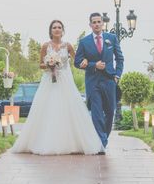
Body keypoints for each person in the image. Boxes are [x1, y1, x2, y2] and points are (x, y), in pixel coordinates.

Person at [12, 20, 102, 155]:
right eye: (54, 27)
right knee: (48, 108)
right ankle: (43, 142)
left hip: (66, 80)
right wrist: (49, 64)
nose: (57, 29)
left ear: (63, 30)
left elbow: (77, 60)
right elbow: (40, 65)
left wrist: (85, 61)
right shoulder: (45, 46)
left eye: (59, 27)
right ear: (50, 30)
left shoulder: (68, 46)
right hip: (49, 81)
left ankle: (73, 142)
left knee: (68, 108)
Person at [74, 13, 124, 154]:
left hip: (109, 81)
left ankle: (104, 139)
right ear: (90, 25)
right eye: (94, 22)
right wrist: (93, 65)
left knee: (110, 111)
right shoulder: (84, 42)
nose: (96, 24)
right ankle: (101, 142)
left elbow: (120, 58)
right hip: (93, 82)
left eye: (99, 22)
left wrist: (117, 76)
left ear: (103, 24)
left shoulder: (112, 38)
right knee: (96, 112)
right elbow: (77, 62)